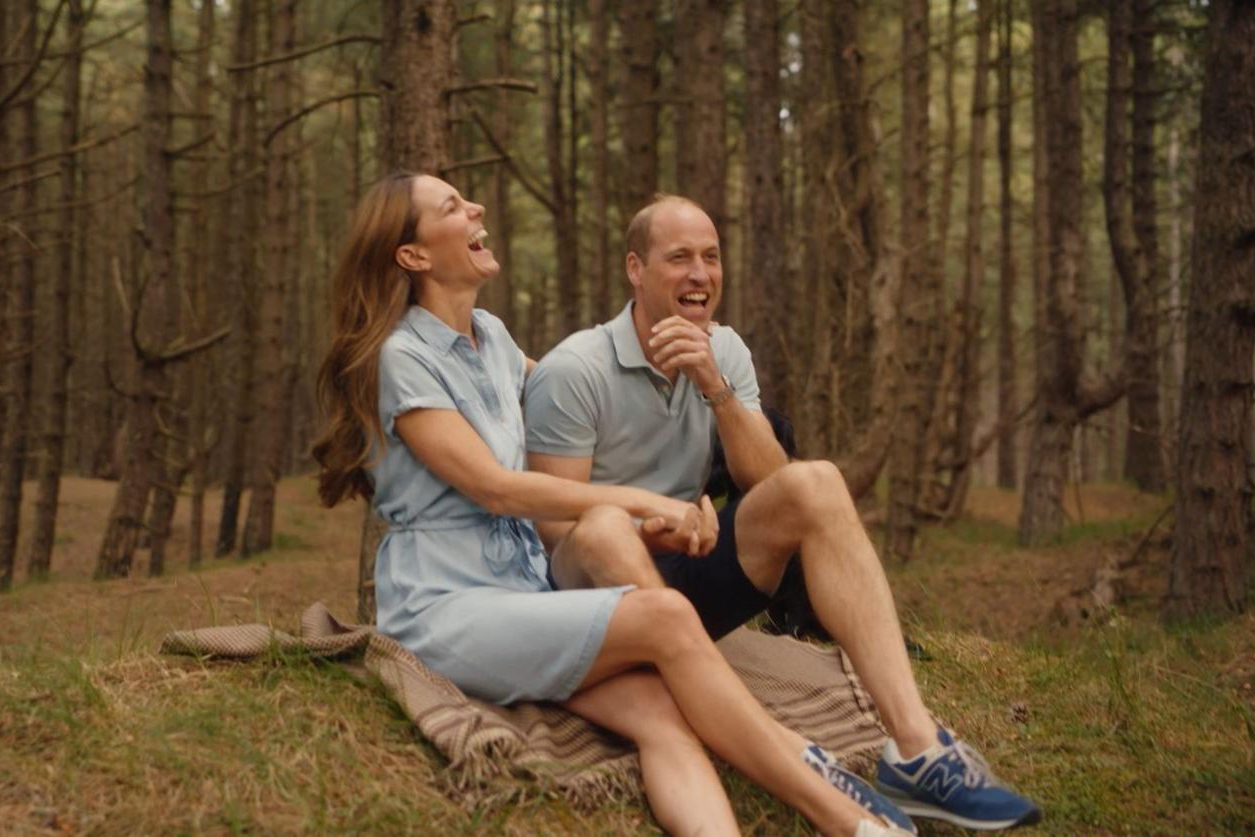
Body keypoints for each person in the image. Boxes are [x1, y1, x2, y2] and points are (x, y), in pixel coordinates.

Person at [313, 172, 919, 837]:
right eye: (453, 207)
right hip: (445, 606)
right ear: (413, 255)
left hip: (526, 595)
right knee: (661, 615)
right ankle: (844, 813)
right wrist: (638, 497)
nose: (476, 206)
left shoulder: (490, 336)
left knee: (662, 713)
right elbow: (496, 487)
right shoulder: (403, 357)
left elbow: (571, 395)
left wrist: (677, 498)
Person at [522, 193, 1042, 831]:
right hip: (595, 600)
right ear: (636, 269)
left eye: (711, 258)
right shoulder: (575, 370)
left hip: (687, 575)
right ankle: (767, 741)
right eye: (679, 257)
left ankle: (915, 749)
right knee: (601, 530)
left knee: (817, 483)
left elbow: (774, 486)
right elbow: (553, 530)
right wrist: (647, 525)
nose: (700, 274)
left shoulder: (726, 351)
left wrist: (715, 386)